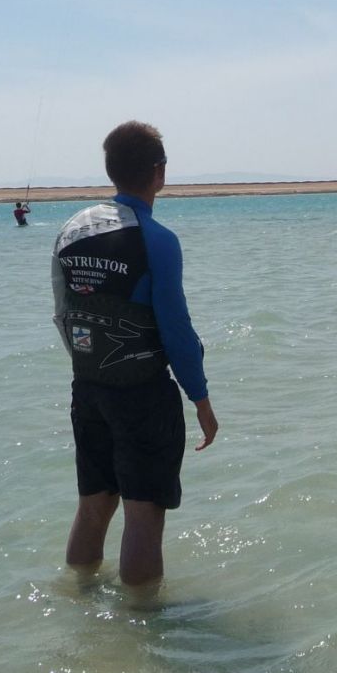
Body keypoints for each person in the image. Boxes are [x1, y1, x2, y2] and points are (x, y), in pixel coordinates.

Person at [52, 120, 218, 586]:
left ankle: (79, 594)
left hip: (88, 389)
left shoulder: (72, 230)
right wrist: (200, 399)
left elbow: (62, 313)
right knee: (143, 513)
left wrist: (92, 371)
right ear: (159, 172)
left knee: (94, 502)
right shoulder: (157, 240)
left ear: (111, 171)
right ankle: (143, 625)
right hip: (142, 394)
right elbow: (176, 330)